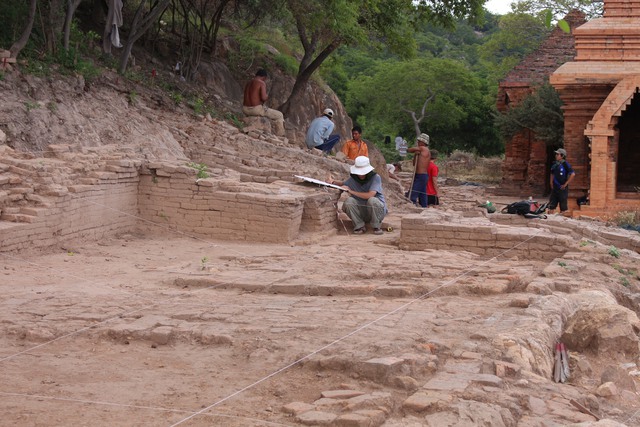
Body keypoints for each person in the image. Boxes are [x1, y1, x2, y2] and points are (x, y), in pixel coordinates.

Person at [330, 156, 387, 235]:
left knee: (372, 200)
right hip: (363, 211)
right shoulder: (353, 179)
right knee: (349, 202)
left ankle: (376, 226)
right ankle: (359, 225)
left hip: (377, 211)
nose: (361, 174)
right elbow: (343, 183)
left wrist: (351, 191)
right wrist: (332, 182)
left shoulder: (375, 178)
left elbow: (370, 195)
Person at [242, 69, 285, 136]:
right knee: (280, 115)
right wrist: (268, 96)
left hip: (245, 109)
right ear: (264, 77)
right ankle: (280, 135)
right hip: (255, 109)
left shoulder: (249, 83)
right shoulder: (261, 83)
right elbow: (264, 98)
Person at [548, 148, 575, 214]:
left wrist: (566, 184)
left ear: (562, 156)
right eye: (556, 154)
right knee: (551, 205)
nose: (556, 156)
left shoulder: (566, 164)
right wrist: (551, 182)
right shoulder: (555, 164)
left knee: (563, 206)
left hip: (562, 188)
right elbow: (552, 173)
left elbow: (573, 174)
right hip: (555, 188)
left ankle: (562, 219)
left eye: (558, 154)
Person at [407, 133, 431, 208]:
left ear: (423, 142)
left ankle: (412, 207)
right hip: (420, 176)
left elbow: (409, 150)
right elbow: (414, 163)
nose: (418, 142)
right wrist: (415, 155)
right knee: (422, 193)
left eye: (419, 141)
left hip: (421, 176)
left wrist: (413, 150)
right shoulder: (420, 151)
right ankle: (424, 207)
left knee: (413, 194)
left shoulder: (423, 148)